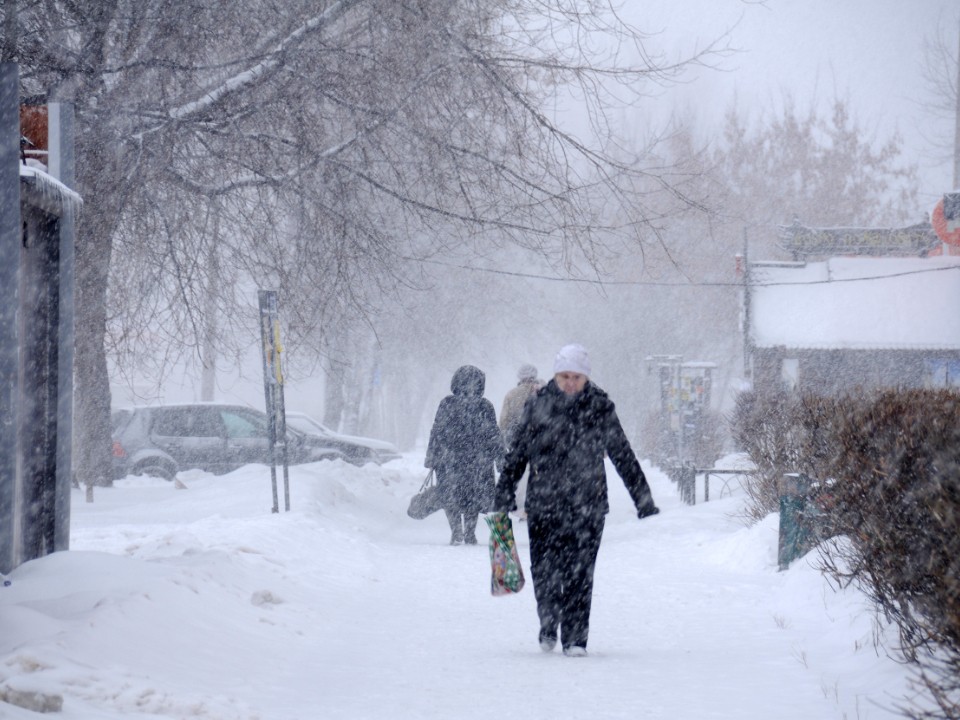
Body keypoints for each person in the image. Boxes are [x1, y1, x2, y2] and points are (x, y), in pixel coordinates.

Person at [495, 343, 659, 657]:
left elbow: (622, 453)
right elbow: (517, 455)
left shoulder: (600, 408)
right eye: (565, 376)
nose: (570, 382)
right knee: (544, 570)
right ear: (555, 375)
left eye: (577, 377)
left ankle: (575, 639)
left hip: (589, 504)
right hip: (544, 504)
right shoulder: (538, 406)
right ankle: (548, 621)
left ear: (586, 378)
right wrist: (503, 493)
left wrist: (643, 499)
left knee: (581, 574)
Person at [425, 365, 504, 545]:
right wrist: (499, 456)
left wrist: (432, 455)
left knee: (452, 496)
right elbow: (494, 434)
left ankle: (458, 532)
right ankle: (468, 533)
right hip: (477, 460)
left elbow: (437, 431)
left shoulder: (448, 403)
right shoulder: (484, 405)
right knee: (472, 498)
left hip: (451, 459)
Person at [499, 363, 542, 520]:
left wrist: (506, 440)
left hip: (519, 441)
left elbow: (504, 421)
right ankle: (535, 506)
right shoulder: (545, 391)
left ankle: (522, 507)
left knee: (521, 474)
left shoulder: (512, 395)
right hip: (542, 440)